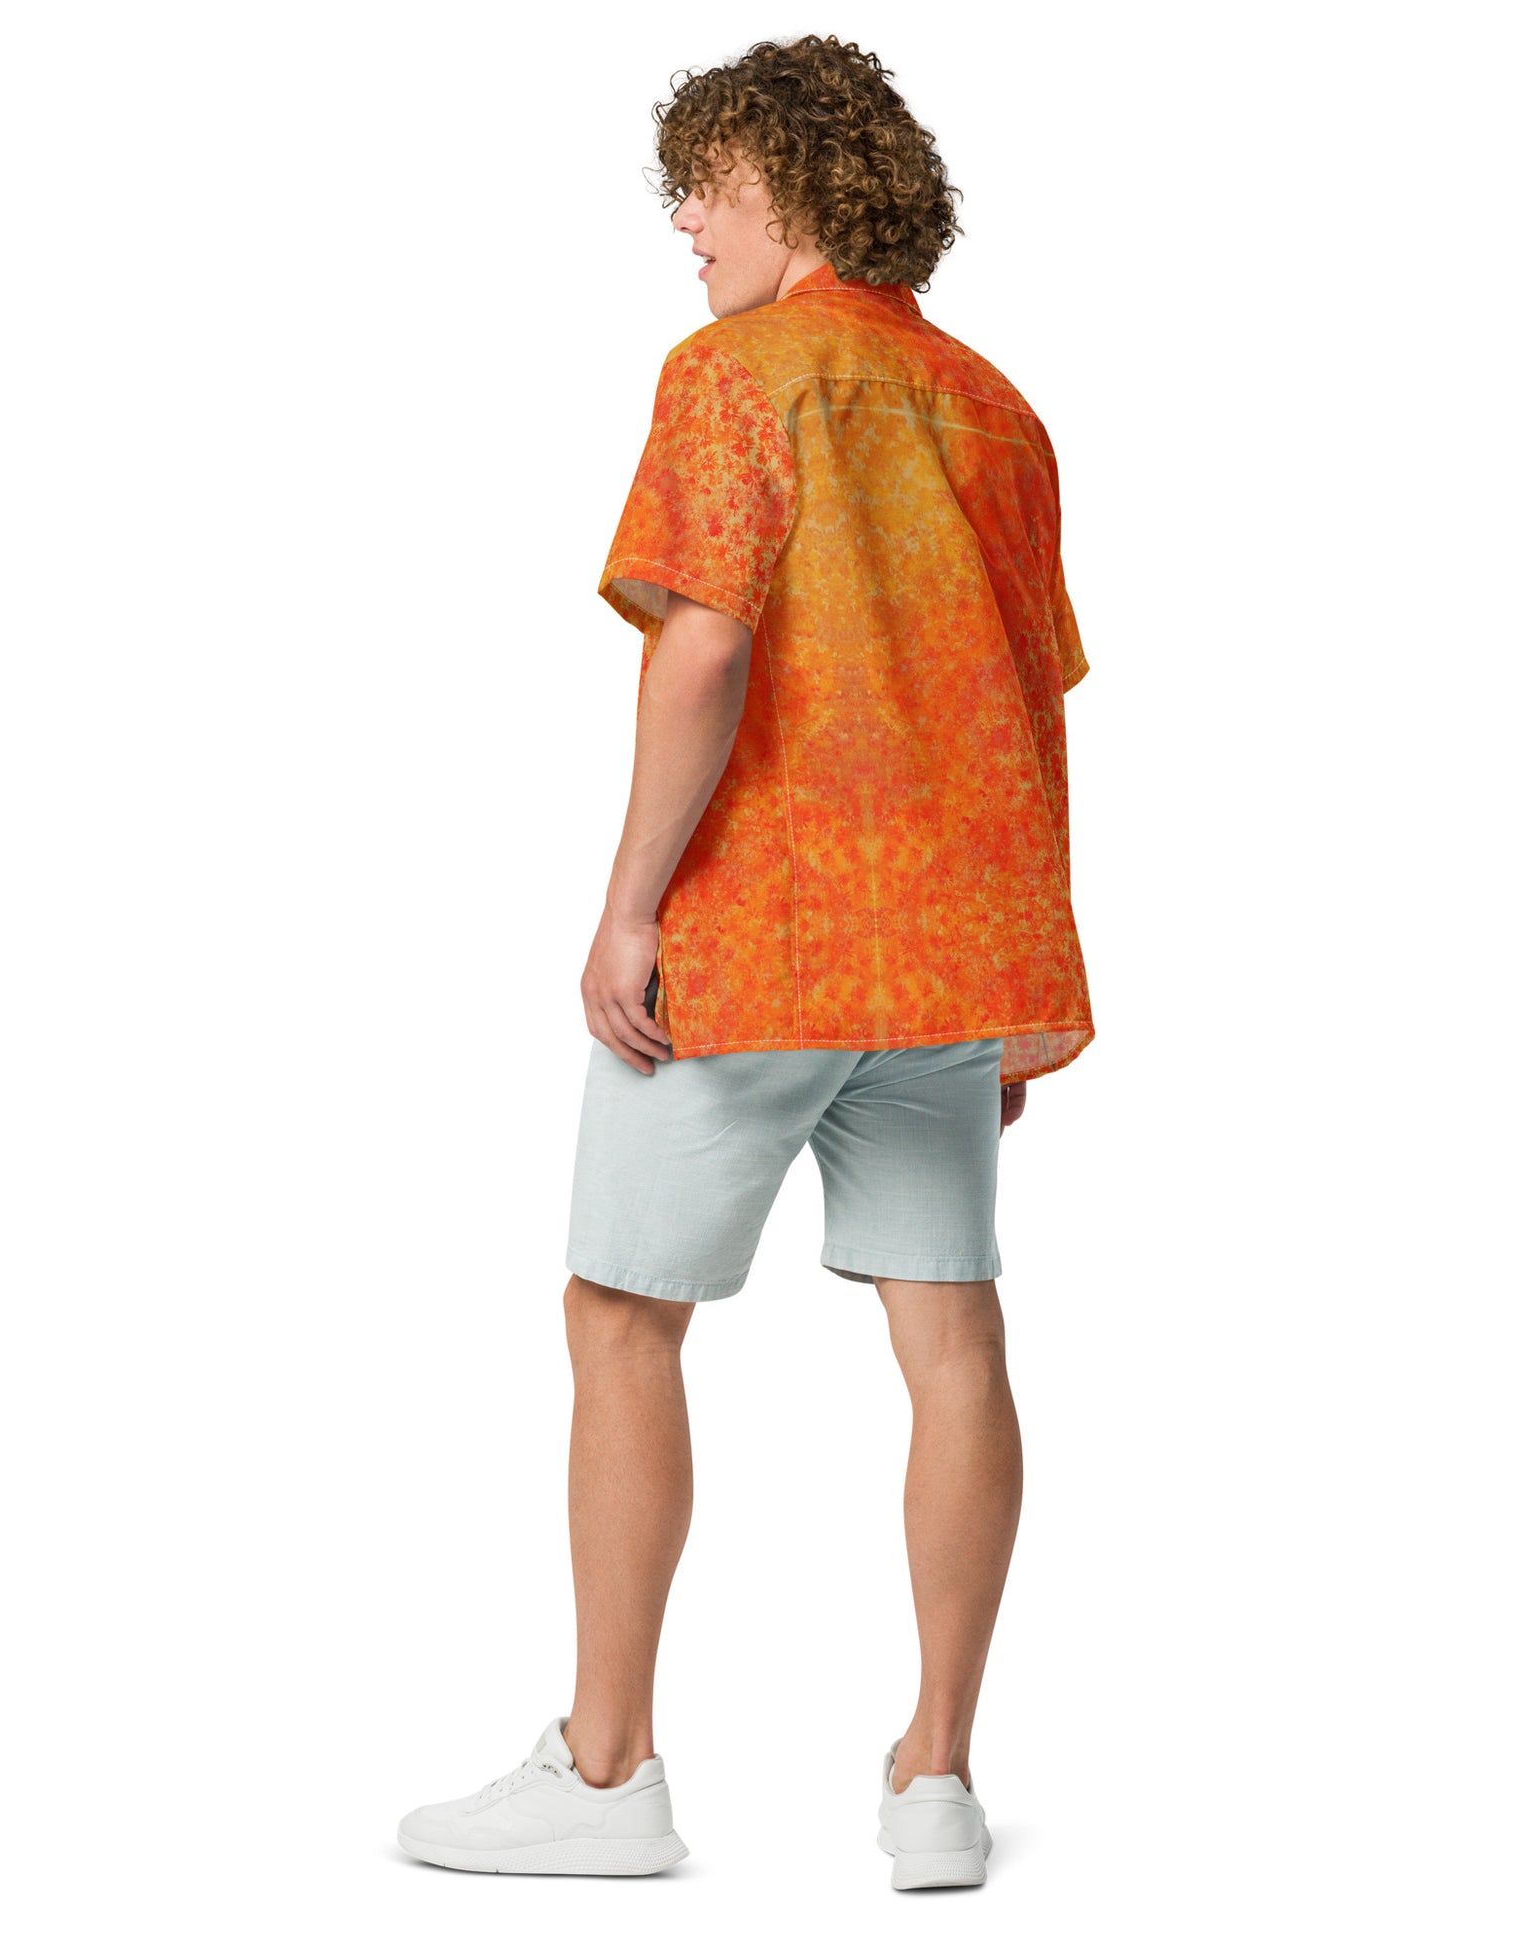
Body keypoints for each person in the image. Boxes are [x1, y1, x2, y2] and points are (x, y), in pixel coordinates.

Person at [397, 33, 1094, 1892]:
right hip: (942, 955)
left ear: (787, 180)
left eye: (706, 184)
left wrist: (628, 903)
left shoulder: (731, 374)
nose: (686, 224)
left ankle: (605, 1772)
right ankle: (936, 1778)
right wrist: (1016, 976)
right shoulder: (996, 412)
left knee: (620, 1314)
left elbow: (701, 647)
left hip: (759, 933)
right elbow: (1027, 701)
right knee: (950, 1332)